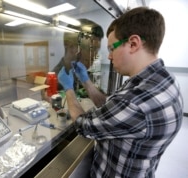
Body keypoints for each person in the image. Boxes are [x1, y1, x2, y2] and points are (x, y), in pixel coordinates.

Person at [58, 7, 183, 178]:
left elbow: (82, 125)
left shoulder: (135, 101)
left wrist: (69, 89)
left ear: (133, 43)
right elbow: (112, 107)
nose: (108, 56)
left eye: (111, 48)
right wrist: (86, 81)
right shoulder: (165, 80)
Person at [52, 18, 104, 91]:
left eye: (97, 50)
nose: (95, 55)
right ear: (71, 46)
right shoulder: (55, 78)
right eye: (92, 49)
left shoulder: (86, 74)